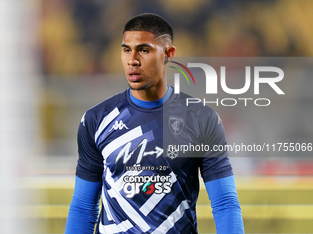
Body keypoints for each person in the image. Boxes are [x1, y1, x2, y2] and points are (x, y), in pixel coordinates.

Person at [65, 13, 244, 234]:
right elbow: (83, 207)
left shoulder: (201, 119)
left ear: (169, 54)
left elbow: (225, 204)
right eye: (126, 50)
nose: (132, 60)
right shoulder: (96, 120)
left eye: (144, 50)